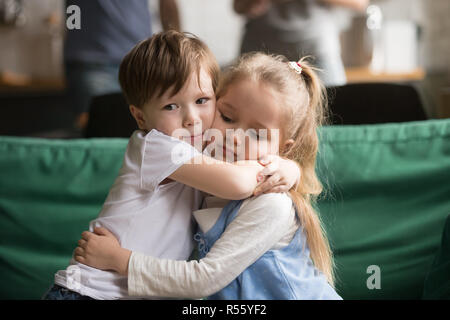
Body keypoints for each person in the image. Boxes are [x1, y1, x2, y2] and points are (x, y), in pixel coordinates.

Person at [43, 31, 300, 300]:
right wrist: (280, 167)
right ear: (140, 116)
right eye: (171, 106)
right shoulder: (156, 147)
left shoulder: (205, 149)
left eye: (202, 101)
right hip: (90, 291)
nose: (192, 119)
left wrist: (290, 168)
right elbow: (237, 184)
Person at [64, 0, 180, 130]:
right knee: (100, 134)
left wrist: (175, 50)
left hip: (142, 60)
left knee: (151, 134)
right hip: (91, 60)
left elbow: (167, 3)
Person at [234, 0, 369, 86]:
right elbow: (238, 6)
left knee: (335, 114)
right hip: (260, 51)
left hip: (316, 51)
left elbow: (360, 2)